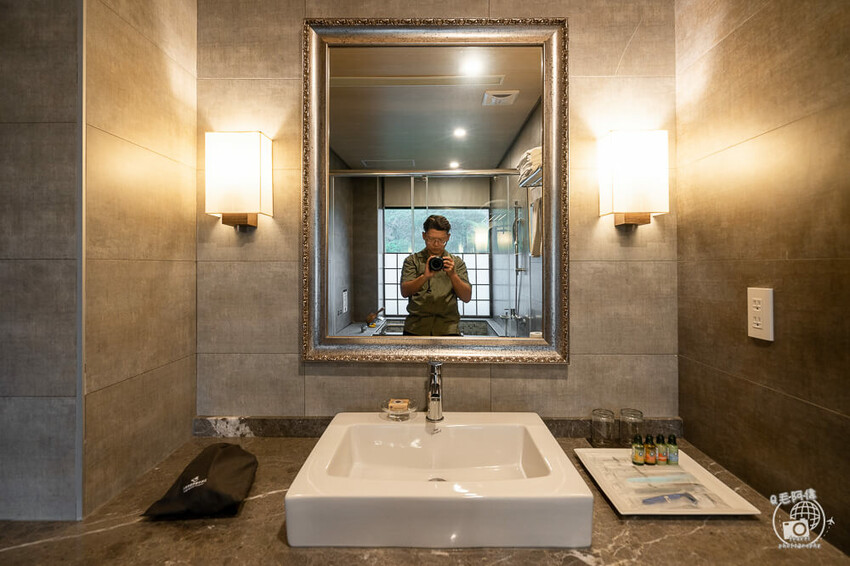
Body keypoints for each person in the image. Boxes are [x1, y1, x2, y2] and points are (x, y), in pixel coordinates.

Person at [400, 215, 472, 336]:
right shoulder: (412, 261)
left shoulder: (456, 262)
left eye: (441, 240)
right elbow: (405, 291)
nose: (436, 244)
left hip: (448, 329)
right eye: (431, 239)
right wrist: (425, 277)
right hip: (416, 329)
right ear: (424, 236)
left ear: (448, 237)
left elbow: (466, 297)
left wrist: (453, 275)